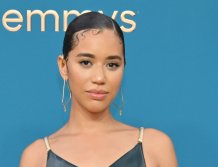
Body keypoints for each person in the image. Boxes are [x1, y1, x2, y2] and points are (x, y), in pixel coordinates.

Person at [19, 12, 178, 167]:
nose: (100, 78)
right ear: (63, 66)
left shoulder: (155, 147)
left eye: (112, 65)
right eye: (86, 63)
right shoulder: (36, 157)